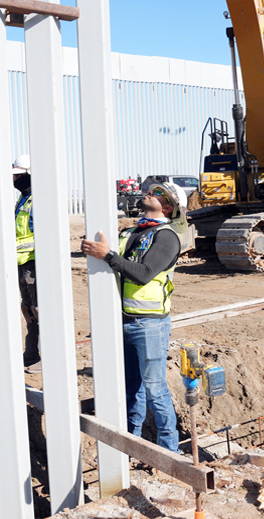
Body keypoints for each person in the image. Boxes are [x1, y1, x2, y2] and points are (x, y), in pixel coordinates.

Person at [80, 182, 188, 453]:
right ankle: (132, 446)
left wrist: (108, 256)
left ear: (167, 206)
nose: (149, 192)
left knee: (154, 389)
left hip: (149, 324)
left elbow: (143, 272)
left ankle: (168, 451)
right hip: (123, 321)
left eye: (158, 193)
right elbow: (108, 257)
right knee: (132, 389)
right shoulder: (132, 231)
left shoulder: (167, 236)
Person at [12, 154, 41, 374]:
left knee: (38, 309)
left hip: (33, 262)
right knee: (28, 309)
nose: (15, 179)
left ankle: (43, 355)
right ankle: (31, 353)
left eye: (18, 175)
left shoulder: (38, 199)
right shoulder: (24, 198)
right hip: (22, 263)